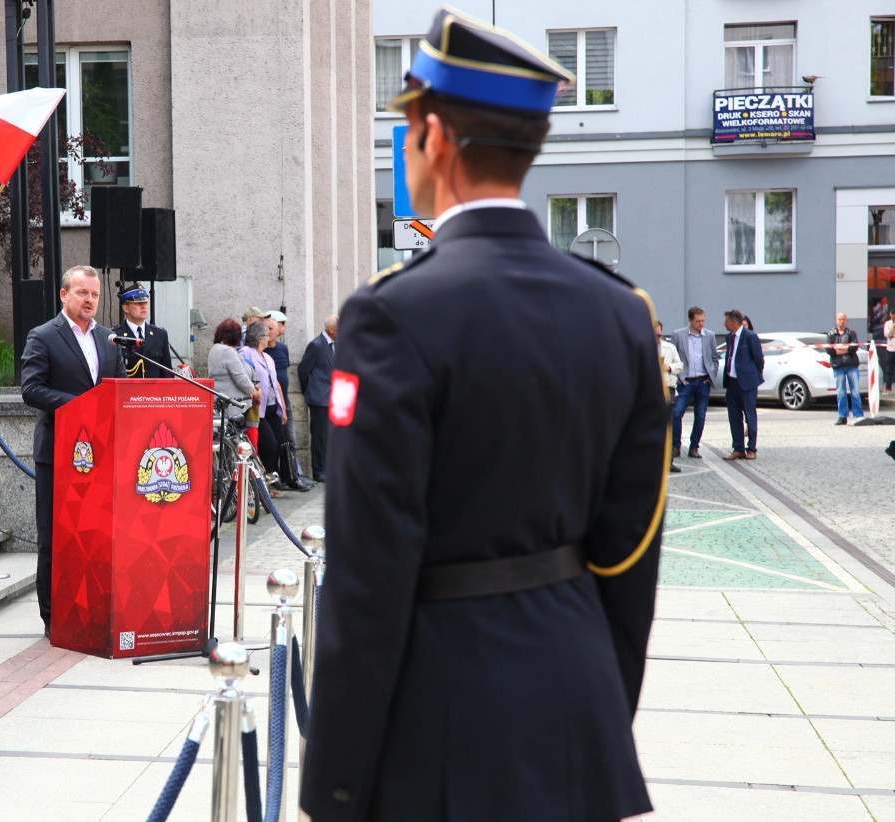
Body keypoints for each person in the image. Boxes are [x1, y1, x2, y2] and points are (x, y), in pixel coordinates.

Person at [301, 10, 664, 822]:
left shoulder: (391, 315)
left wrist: (333, 787)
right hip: (578, 705)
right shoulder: (619, 312)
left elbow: (369, 573)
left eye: (406, 125)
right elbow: (632, 552)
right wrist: (601, 704)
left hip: (442, 718)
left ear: (434, 135)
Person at [21, 265, 127, 637]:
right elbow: (31, 390)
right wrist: (82, 405)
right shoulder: (43, 336)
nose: (90, 300)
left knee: (95, 535)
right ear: (64, 295)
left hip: (101, 454)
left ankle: (93, 607)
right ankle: (53, 618)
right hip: (58, 453)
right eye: (82, 293)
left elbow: (118, 389)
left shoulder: (110, 339)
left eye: (95, 295)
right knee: (54, 536)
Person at [239, 321, 290, 493]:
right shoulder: (246, 352)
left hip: (272, 408)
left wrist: (282, 408)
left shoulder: (268, 357)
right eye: (267, 335)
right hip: (257, 409)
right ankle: (262, 486)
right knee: (267, 445)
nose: (270, 337)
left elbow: (274, 384)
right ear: (260, 338)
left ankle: (268, 484)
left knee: (276, 447)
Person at [266, 312, 315, 491]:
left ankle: (294, 475)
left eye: (272, 328)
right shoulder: (262, 350)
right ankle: (278, 477)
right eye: (268, 328)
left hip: (285, 400)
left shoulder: (282, 349)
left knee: (291, 440)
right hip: (273, 403)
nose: (270, 332)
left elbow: (283, 374)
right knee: (276, 442)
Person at [670, 307, 720, 459]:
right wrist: (677, 377)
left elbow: (715, 358)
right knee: (677, 413)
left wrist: (711, 374)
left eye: (703, 320)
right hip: (684, 381)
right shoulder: (678, 335)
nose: (701, 324)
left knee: (700, 415)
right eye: (698, 321)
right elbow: (672, 356)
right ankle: (676, 446)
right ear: (690, 320)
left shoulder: (709, 336)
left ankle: (694, 447)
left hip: (702, 381)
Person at [721, 309, 765, 460]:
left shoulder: (750, 336)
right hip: (731, 382)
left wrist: (753, 376)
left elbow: (759, 359)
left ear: (734, 322)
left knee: (750, 416)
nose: (724, 324)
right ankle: (738, 448)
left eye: (726, 321)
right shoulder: (729, 337)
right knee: (734, 416)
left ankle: (751, 448)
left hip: (747, 383)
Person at [298, 315, 337, 482]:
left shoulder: (336, 345)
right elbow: (303, 370)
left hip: (333, 399)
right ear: (331, 329)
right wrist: (310, 391)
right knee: (319, 436)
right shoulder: (316, 345)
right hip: (319, 398)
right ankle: (319, 470)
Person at [111, 282, 172, 378]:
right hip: (127, 391)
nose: (144, 307)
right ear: (126, 308)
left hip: (153, 392)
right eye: (138, 303)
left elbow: (167, 372)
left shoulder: (160, 334)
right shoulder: (115, 335)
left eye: (145, 303)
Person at [208, 318, 261, 405]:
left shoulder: (215, 349)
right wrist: (256, 393)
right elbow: (241, 378)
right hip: (231, 403)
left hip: (220, 398)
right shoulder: (227, 351)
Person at [657, 321, 683, 473]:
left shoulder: (669, 348)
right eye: (655, 335)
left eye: (660, 335)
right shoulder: (643, 346)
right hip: (650, 390)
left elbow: (680, 365)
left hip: (668, 389)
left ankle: (668, 462)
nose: (658, 338)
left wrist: (669, 367)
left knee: (668, 426)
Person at [828, 312, 863, 424]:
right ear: (836, 321)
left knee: (855, 391)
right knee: (841, 392)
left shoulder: (851, 333)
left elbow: (853, 348)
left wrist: (839, 348)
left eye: (843, 319)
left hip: (851, 365)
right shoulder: (831, 334)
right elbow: (830, 350)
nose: (841, 321)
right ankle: (843, 416)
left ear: (846, 320)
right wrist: (845, 348)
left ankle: (858, 415)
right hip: (838, 366)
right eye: (839, 319)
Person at [884, 311, 895, 394]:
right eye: (892, 317)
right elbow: (887, 334)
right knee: (889, 369)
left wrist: (892, 335)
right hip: (890, 349)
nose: (893, 318)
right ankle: (888, 388)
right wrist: (893, 326)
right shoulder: (888, 323)